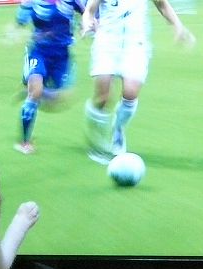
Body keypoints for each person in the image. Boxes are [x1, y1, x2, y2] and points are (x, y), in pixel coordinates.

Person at [81, 0, 195, 164]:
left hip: (135, 43)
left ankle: (118, 130)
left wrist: (178, 26)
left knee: (130, 93)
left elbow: (162, 5)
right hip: (107, 41)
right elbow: (90, 10)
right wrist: (87, 22)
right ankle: (97, 139)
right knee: (103, 98)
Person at [13, 0, 87, 155]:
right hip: (39, 52)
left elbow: (86, 13)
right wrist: (16, 31)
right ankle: (25, 142)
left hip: (62, 55)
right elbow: (20, 20)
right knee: (35, 92)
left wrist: (85, 25)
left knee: (59, 100)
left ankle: (32, 92)